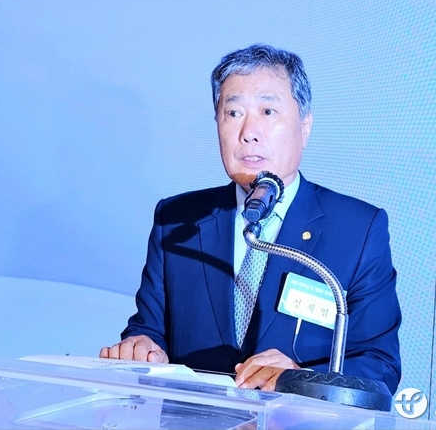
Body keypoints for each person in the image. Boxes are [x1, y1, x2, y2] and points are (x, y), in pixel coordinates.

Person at [100, 44, 402, 393]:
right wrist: (141, 346)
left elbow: (380, 366)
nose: (249, 132)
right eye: (233, 113)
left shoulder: (357, 229)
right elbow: (149, 330)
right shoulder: (178, 220)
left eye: (268, 111)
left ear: (305, 126)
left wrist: (300, 378)